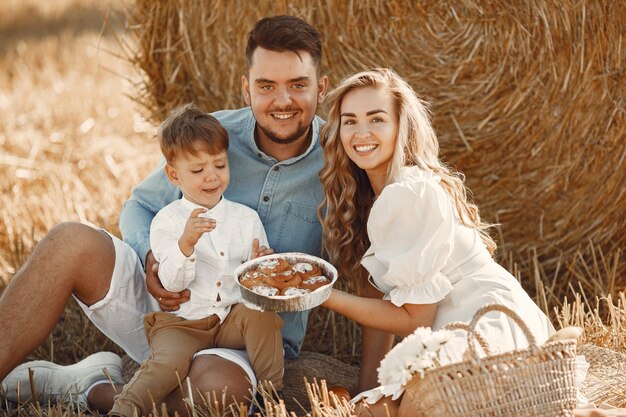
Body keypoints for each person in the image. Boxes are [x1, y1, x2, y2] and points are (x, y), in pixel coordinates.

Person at [0, 15, 328, 414]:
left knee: (217, 394)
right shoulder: (212, 136)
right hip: (169, 309)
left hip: (241, 335)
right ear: (246, 89)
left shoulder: (339, 162)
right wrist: (153, 257)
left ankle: (89, 388)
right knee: (70, 241)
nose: (282, 101)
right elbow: (138, 206)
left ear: (321, 88)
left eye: (297, 85)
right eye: (266, 86)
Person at [316, 68, 624, 417]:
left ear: (402, 127)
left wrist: (324, 296)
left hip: (480, 324)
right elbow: (381, 296)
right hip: (475, 320)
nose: (362, 133)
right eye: (350, 121)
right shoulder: (380, 195)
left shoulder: (407, 192)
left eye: (377, 119)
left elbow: (411, 320)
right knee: (371, 410)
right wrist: (367, 388)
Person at [110, 104, 284, 416]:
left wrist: (259, 267)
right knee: (168, 363)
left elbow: (255, 286)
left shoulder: (246, 219)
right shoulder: (167, 221)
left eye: (219, 165)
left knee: (262, 315)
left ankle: (273, 398)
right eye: (197, 170)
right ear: (173, 174)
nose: (211, 177)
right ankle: (124, 408)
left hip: (229, 318)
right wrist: (186, 245)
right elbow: (172, 283)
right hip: (183, 323)